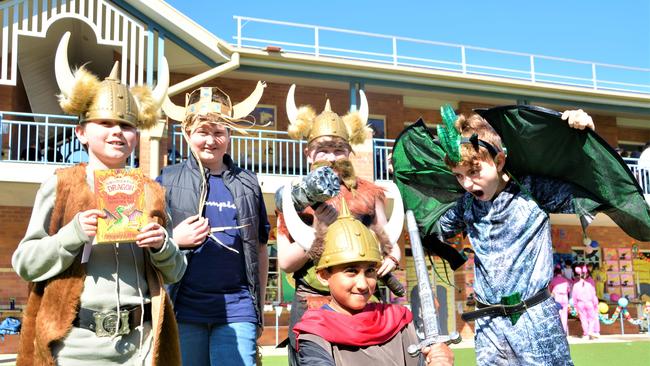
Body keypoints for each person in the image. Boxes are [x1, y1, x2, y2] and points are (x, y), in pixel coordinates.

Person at [12, 32, 185, 365]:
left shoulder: (152, 190)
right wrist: (73, 234)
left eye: (126, 124)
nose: (117, 131)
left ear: (137, 135)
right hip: (74, 349)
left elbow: (176, 271)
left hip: (141, 348)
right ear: (81, 132)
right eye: (105, 123)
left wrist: (162, 245)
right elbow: (25, 264)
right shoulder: (60, 185)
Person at [429, 107, 595, 365]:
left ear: (499, 160)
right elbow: (433, 229)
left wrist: (582, 141)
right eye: (459, 176)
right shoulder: (466, 204)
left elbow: (591, 190)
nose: (468, 184)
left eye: (474, 172)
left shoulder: (533, 191)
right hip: (489, 328)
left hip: (536, 323)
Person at [277, 85, 405, 365]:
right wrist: (316, 231)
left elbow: (389, 241)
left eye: (338, 149)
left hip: (360, 302)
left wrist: (392, 258)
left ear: (349, 151)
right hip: (311, 302)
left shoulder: (370, 193)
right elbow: (286, 262)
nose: (332, 157)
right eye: (323, 150)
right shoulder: (293, 197)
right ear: (309, 154)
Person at [159, 83, 270, 366]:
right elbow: (147, 242)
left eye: (219, 132)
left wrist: (257, 308)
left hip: (237, 309)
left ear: (229, 135)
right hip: (183, 310)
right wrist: (173, 238)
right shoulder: (167, 180)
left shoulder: (248, 183)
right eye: (202, 132)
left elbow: (259, 249)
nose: (211, 140)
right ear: (187, 134)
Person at [293, 199, 454, 366]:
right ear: (323, 275)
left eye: (370, 271)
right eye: (351, 271)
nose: (363, 284)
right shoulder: (314, 333)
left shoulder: (397, 320)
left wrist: (440, 360)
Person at [571, 265, 599, 339]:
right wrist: (595, 304)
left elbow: (574, 297)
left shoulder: (576, 285)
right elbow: (594, 296)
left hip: (580, 304)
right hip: (589, 303)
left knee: (583, 319)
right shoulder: (589, 285)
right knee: (592, 318)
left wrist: (575, 306)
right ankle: (590, 331)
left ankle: (586, 334)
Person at [549, 267, 571, 334]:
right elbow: (568, 290)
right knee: (564, 315)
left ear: (554, 273)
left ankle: (558, 332)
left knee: (556, 315)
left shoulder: (553, 280)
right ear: (561, 273)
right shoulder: (565, 280)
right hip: (564, 297)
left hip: (557, 297)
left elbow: (550, 289)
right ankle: (564, 331)